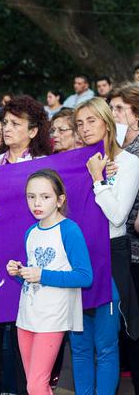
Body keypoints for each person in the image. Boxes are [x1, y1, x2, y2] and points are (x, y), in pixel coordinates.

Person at [0, 96, 52, 395]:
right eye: (5, 122)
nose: (6, 129)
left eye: (15, 124)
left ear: (33, 131)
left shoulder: (43, 166)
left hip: (30, 260)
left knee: (27, 335)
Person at [70, 97, 139, 395]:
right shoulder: (74, 162)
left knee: (106, 344)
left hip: (111, 257)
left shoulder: (130, 162)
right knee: (80, 345)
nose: (85, 129)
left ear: (107, 122)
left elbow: (118, 215)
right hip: (78, 259)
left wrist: (98, 180)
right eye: (80, 123)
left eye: (91, 121)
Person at [7, 169, 93, 395]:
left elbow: (85, 277)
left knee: (36, 385)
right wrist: (20, 272)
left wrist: (42, 274)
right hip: (26, 315)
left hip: (53, 317)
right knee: (34, 385)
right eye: (31, 196)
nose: (37, 202)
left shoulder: (70, 230)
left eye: (45, 197)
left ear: (59, 200)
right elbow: (33, 275)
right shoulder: (30, 233)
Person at [106, 83, 139, 392]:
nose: (113, 114)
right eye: (111, 108)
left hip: (134, 246)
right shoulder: (114, 150)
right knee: (127, 326)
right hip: (122, 249)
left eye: (119, 109)